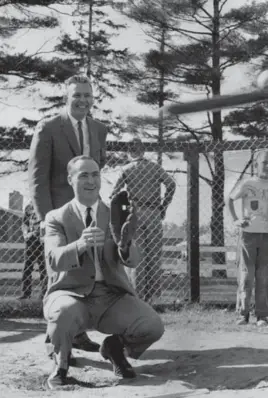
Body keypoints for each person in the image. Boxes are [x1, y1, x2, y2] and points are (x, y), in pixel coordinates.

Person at [43, 155, 164, 390]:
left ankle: (115, 348)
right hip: (71, 293)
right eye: (84, 175)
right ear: (70, 179)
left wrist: (125, 245)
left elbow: (134, 261)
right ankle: (61, 365)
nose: (91, 180)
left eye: (95, 174)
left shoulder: (116, 213)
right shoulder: (56, 218)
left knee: (152, 325)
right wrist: (80, 244)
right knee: (62, 313)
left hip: (111, 297)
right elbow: (54, 260)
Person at [28, 75, 108, 356]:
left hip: (88, 213)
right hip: (58, 215)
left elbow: (99, 167)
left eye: (88, 95)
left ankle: (78, 333)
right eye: (77, 95)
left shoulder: (98, 129)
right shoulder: (49, 128)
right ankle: (57, 342)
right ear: (67, 97)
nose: (83, 100)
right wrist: (43, 218)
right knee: (58, 275)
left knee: (83, 273)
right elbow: (38, 178)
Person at [111, 138, 176, 303]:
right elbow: (171, 184)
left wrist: (122, 211)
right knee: (154, 255)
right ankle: (154, 296)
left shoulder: (126, 169)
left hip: (135, 213)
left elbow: (114, 193)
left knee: (137, 255)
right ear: (143, 151)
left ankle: (137, 296)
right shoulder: (155, 167)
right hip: (154, 211)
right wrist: (164, 206)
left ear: (129, 152)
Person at [226, 150, 268, 327]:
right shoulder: (248, 183)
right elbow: (230, 199)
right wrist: (236, 220)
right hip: (248, 234)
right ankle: (243, 313)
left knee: (264, 275)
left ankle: (262, 315)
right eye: (265, 162)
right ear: (256, 164)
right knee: (247, 274)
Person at [19, 201, 47, 299]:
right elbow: (24, 224)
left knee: (43, 269)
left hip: (42, 242)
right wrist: (27, 234)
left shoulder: (45, 204)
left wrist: (40, 233)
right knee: (27, 268)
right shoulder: (28, 207)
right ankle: (26, 293)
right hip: (30, 242)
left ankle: (44, 293)